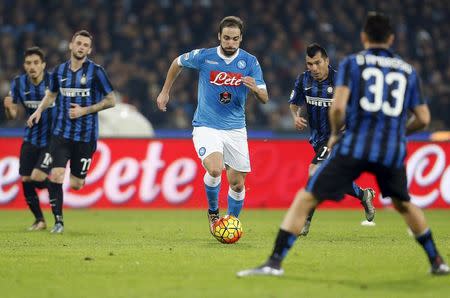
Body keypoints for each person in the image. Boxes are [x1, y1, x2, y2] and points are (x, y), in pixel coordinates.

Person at [237, 12, 449, 276]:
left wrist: (336, 133)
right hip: (390, 148)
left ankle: (275, 261)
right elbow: (424, 118)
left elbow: (338, 108)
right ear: (392, 38)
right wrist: (398, 133)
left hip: (355, 142)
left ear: (363, 37)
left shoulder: (352, 64)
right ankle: (437, 261)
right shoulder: (408, 70)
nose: (313, 68)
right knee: (404, 204)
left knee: (308, 191)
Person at [156, 16, 268, 234]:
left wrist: (255, 89)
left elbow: (265, 97)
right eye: (226, 38)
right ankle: (213, 211)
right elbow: (177, 62)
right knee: (215, 169)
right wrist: (165, 91)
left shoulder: (250, 62)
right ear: (219, 36)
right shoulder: (205, 56)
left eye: (235, 39)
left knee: (237, 184)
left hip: (236, 128)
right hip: (206, 125)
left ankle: (230, 224)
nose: (230, 43)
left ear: (241, 39)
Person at [27, 30, 116, 233]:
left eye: (85, 45)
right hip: (61, 134)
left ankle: (64, 190)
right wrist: (38, 111)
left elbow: (112, 100)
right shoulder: (59, 71)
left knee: (76, 184)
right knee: (56, 175)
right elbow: (51, 95)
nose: (81, 47)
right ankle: (58, 222)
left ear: (89, 50)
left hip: (86, 137)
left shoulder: (96, 72)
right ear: (71, 45)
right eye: (78, 43)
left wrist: (85, 110)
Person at [289, 43, 376, 236]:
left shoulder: (342, 81)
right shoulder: (303, 80)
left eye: (317, 63)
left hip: (340, 137)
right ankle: (364, 195)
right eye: (309, 64)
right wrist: (296, 116)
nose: (313, 68)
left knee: (314, 170)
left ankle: (305, 221)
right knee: (333, 179)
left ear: (327, 61)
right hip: (318, 139)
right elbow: (294, 103)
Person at [3, 47, 56, 230]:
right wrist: (9, 109)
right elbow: (13, 115)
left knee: (37, 177)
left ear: (43, 65)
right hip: (30, 137)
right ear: (24, 65)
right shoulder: (18, 83)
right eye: (28, 63)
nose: (32, 66)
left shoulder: (53, 82)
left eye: (35, 63)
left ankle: (54, 185)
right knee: (26, 179)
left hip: (51, 139)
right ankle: (39, 220)